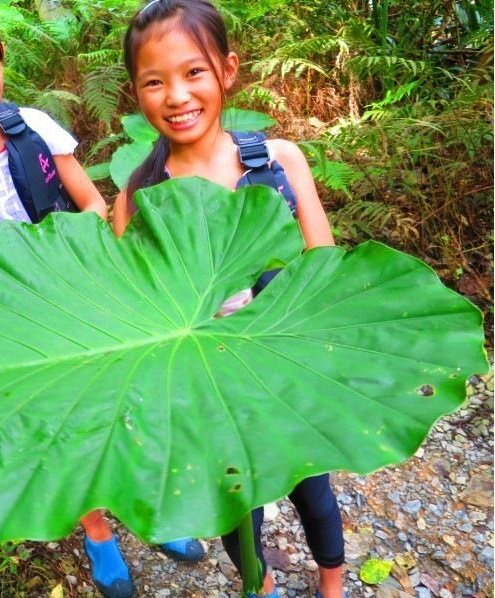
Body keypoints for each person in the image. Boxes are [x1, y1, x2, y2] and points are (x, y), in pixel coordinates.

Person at [0, 1, 201, 595]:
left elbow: (90, 203)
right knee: (67, 432)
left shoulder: (33, 127)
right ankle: (99, 532)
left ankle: (153, 510)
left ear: (2, 59)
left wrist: (87, 269)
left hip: (82, 303)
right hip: (11, 334)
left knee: (122, 412)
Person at [114, 2, 346, 598]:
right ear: (136, 93)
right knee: (236, 508)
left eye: (193, 72)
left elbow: (324, 269)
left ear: (227, 71)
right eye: (154, 81)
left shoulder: (277, 162)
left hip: (280, 371)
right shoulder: (139, 198)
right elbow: (136, 311)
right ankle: (260, 585)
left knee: (311, 491)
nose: (176, 95)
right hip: (203, 388)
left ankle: (333, 583)